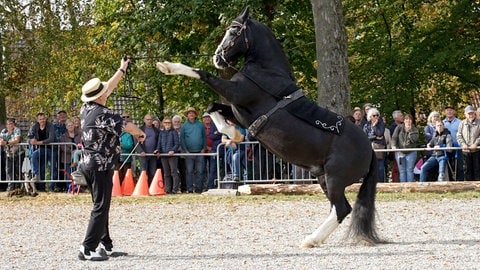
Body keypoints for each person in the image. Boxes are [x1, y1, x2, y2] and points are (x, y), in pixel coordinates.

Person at [78, 56, 145, 261]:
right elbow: (127, 126)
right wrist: (140, 134)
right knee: (100, 207)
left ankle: (105, 245)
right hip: (100, 166)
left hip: (89, 164)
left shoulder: (86, 109)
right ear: (100, 96)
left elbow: (109, 86)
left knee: (102, 204)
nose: (108, 91)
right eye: (104, 92)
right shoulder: (104, 114)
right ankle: (87, 249)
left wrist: (122, 68)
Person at [28, 112, 57, 190]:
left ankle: (51, 188)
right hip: (40, 149)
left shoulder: (50, 125)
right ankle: (37, 178)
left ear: (46, 118)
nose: (42, 120)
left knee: (53, 168)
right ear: (37, 120)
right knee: (36, 159)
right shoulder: (34, 126)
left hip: (51, 149)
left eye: (43, 119)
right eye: (40, 119)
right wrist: (31, 140)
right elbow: (29, 136)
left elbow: (51, 139)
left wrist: (38, 142)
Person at [180, 107, 206, 193]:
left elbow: (204, 137)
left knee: (200, 171)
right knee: (189, 172)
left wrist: (203, 148)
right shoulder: (184, 126)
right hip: (189, 153)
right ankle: (190, 189)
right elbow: (182, 139)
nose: (191, 114)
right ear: (187, 115)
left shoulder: (200, 125)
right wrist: (185, 150)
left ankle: (199, 189)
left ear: (195, 115)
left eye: (193, 113)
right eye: (189, 113)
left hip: (200, 152)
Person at [391, 114, 419, 182]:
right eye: (406, 119)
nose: (408, 121)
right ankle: (403, 188)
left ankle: (410, 187)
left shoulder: (414, 129)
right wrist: (393, 146)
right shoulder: (399, 127)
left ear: (412, 121)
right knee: (402, 171)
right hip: (400, 152)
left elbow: (414, 140)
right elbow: (394, 137)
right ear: (404, 120)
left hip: (411, 152)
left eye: (409, 119)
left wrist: (410, 131)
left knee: (409, 170)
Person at [0, 118, 25, 193]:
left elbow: (17, 140)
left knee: (18, 170)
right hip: (8, 154)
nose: (9, 125)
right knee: (8, 170)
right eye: (8, 124)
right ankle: (10, 187)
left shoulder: (17, 130)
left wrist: (7, 142)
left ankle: (19, 187)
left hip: (19, 153)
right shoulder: (4, 131)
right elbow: (1, 141)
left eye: (11, 123)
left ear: (14, 124)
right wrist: (9, 143)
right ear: (6, 125)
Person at [156, 117, 180, 194]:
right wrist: (158, 150)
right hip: (164, 156)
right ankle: (167, 189)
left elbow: (177, 143)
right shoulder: (161, 133)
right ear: (163, 124)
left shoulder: (174, 132)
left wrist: (173, 150)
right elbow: (159, 144)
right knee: (166, 173)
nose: (167, 124)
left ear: (171, 124)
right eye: (166, 123)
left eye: (169, 123)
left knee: (174, 172)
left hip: (172, 156)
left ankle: (175, 189)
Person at [456, 105, 480, 181]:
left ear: (474, 113)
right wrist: (463, 144)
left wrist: (476, 144)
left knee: (477, 169)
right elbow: (459, 135)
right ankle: (468, 187)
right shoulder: (462, 123)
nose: (471, 115)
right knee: (466, 169)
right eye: (469, 114)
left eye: (472, 113)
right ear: (465, 114)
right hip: (465, 151)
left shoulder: (479, 123)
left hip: (477, 151)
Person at [363, 107, 386, 182]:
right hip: (369, 148)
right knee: (370, 166)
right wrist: (375, 137)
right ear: (370, 116)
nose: (376, 117)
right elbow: (365, 137)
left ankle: (381, 183)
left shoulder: (381, 124)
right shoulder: (366, 125)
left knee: (380, 166)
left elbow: (380, 133)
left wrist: (374, 126)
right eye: (374, 115)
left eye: (377, 115)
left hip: (379, 148)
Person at [59, 119, 81, 190]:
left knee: (77, 172)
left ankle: (78, 187)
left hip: (78, 157)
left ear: (74, 126)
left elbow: (82, 143)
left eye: (72, 125)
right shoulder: (63, 136)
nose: (70, 126)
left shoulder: (80, 134)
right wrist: (71, 151)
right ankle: (69, 187)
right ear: (66, 127)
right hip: (67, 157)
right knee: (68, 173)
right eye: (69, 125)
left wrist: (77, 150)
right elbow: (62, 146)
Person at [138, 114, 159, 186]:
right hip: (143, 155)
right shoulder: (140, 130)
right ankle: (143, 187)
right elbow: (136, 142)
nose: (149, 121)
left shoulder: (156, 130)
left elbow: (159, 141)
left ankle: (151, 188)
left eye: (150, 119)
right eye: (147, 119)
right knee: (144, 172)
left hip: (153, 155)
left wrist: (157, 150)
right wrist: (140, 151)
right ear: (144, 120)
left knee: (153, 172)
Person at [443, 105, 463, 180]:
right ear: (445, 112)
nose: (449, 112)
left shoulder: (460, 122)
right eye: (447, 110)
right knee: (449, 166)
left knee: (459, 167)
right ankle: (451, 183)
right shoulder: (442, 123)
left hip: (458, 147)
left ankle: (460, 182)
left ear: (454, 112)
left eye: (451, 110)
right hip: (447, 148)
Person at [118, 112, 135, 184]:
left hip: (127, 158)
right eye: (123, 117)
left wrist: (122, 145)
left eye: (127, 117)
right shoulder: (116, 133)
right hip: (117, 158)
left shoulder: (129, 134)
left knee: (126, 175)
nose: (125, 119)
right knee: (118, 174)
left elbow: (131, 146)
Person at [172, 114, 186, 193]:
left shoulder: (183, 130)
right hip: (173, 153)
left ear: (181, 123)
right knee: (173, 171)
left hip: (182, 153)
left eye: (178, 122)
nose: (177, 123)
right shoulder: (170, 130)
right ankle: (174, 188)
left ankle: (184, 188)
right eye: (175, 122)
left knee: (183, 171)